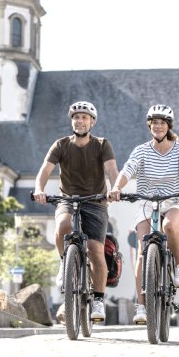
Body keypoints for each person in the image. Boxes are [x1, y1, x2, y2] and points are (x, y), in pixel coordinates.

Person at [108, 104, 179, 324]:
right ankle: (141, 305)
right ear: (150, 125)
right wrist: (116, 188)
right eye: (154, 122)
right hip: (147, 203)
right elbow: (128, 170)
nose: (158, 126)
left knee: (170, 227)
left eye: (162, 122)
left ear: (168, 126)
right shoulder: (141, 150)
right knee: (143, 249)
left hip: (175, 201)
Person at [33, 101, 119, 322]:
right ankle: (65, 262)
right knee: (63, 226)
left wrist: (115, 189)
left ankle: (98, 299)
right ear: (72, 121)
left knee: (95, 251)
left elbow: (111, 169)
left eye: (84, 117)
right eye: (76, 117)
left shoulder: (101, 145)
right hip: (68, 199)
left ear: (92, 122)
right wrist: (39, 189)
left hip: (96, 202)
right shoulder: (61, 145)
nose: (79, 121)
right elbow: (45, 169)